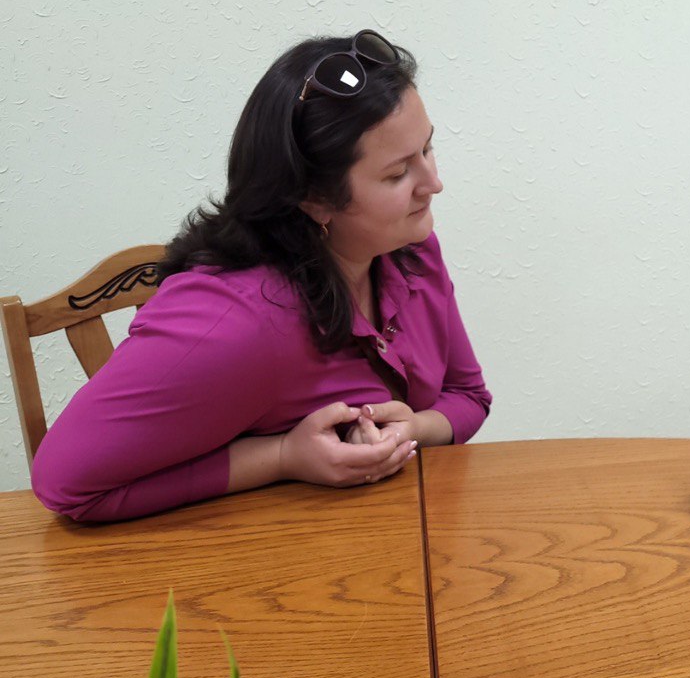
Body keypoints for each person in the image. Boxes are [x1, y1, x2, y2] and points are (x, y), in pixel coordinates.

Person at [32, 30, 492, 521]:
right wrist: (282, 458)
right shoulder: (234, 324)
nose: (434, 183)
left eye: (428, 148)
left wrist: (414, 428)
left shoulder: (409, 249)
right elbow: (63, 483)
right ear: (314, 199)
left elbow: (468, 396)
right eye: (398, 173)